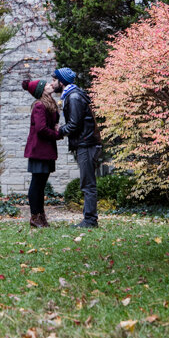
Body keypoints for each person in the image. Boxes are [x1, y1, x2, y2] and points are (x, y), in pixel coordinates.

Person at [54, 67, 101, 228]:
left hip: (86, 144)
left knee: (87, 183)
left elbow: (74, 124)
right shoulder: (74, 95)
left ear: (62, 82)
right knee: (87, 182)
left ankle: (90, 220)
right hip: (86, 143)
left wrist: (60, 131)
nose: (52, 83)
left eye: (55, 80)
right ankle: (89, 218)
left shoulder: (73, 97)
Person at [21, 78, 61, 227]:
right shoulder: (39, 106)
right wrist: (58, 134)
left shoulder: (49, 104)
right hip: (39, 150)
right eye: (46, 85)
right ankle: (35, 216)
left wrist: (57, 127)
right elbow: (41, 129)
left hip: (46, 150)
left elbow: (51, 124)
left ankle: (41, 216)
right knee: (36, 184)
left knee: (41, 184)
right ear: (41, 90)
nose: (51, 84)